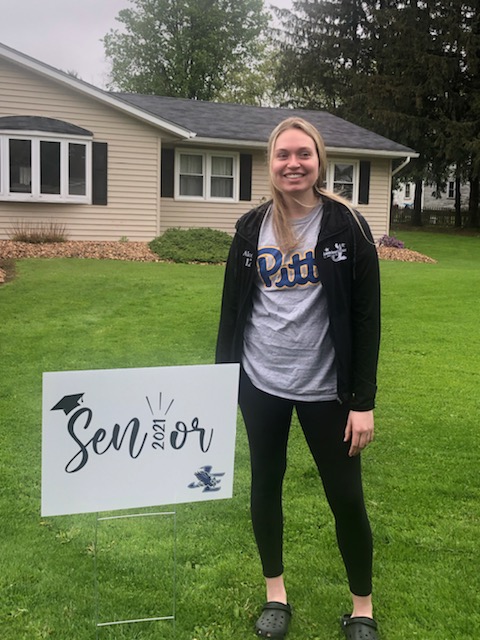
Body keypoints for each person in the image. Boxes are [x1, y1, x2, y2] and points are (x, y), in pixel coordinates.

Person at [216, 117, 381, 640]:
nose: (294, 163)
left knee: (346, 498)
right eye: (283, 154)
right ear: (271, 163)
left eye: (303, 154)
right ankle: (275, 595)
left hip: (326, 391)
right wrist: (220, 385)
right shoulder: (250, 228)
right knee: (265, 485)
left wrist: (362, 400)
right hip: (260, 384)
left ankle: (362, 608)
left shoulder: (346, 225)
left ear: (319, 161)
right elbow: (232, 311)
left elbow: (365, 315)